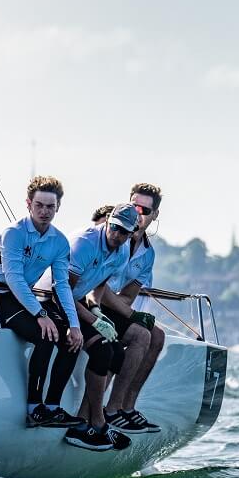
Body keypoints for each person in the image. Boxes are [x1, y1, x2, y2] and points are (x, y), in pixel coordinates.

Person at [0, 176, 85, 429]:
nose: (44, 212)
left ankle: (53, 408)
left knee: (71, 340)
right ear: (28, 204)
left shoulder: (59, 241)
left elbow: (62, 284)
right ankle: (34, 409)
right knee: (46, 334)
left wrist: (74, 324)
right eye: (39, 205)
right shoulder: (14, 233)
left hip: (22, 296)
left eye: (50, 206)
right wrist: (40, 314)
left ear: (58, 207)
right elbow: (13, 278)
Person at [42, 203, 137, 451]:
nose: (117, 235)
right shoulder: (85, 243)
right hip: (49, 299)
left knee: (117, 354)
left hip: (75, 301)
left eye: (124, 232)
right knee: (102, 349)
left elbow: (98, 287)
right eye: (114, 228)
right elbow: (62, 292)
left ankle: (87, 422)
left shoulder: (122, 250)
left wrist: (96, 309)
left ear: (130, 233)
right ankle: (98, 421)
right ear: (107, 223)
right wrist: (93, 321)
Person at [98, 184, 165, 433]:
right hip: (91, 303)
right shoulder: (114, 236)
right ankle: (109, 410)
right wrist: (130, 315)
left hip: (113, 306)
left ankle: (124, 407)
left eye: (145, 210)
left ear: (154, 215)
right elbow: (97, 287)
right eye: (134, 206)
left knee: (157, 335)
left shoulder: (148, 254)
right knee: (142, 332)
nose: (138, 214)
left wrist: (127, 312)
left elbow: (127, 297)